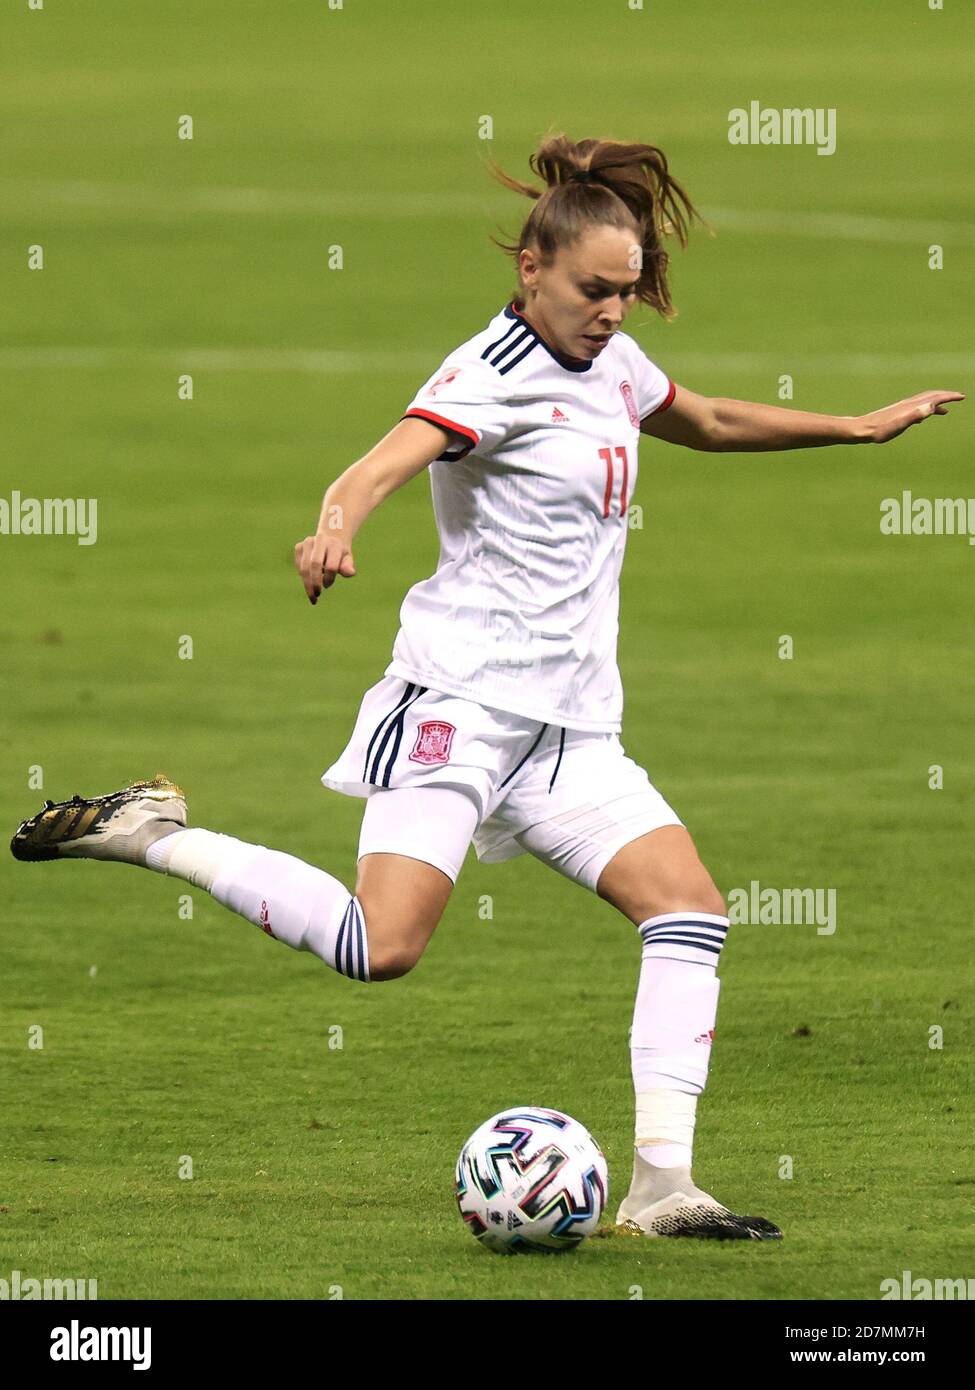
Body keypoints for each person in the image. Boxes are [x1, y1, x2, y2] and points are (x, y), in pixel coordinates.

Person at [11, 134, 962, 1242]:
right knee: (384, 946)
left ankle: (664, 1185)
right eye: (593, 289)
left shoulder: (612, 363)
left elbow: (701, 420)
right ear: (532, 272)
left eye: (627, 289)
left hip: (571, 728)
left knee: (690, 909)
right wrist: (333, 530)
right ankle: (149, 833)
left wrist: (852, 426)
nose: (613, 310)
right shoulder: (487, 377)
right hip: (459, 705)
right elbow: (375, 465)